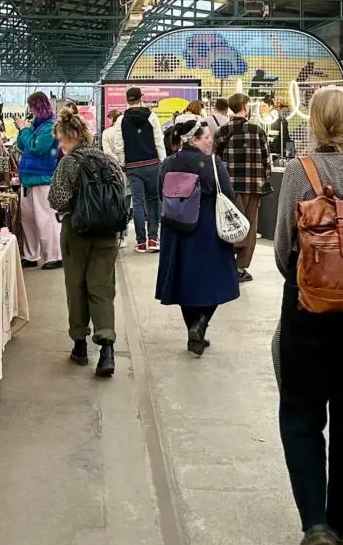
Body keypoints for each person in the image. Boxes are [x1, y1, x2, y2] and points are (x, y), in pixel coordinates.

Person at [272, 87, 343, 545]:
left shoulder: (300, 171)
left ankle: (313, 520)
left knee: (301, 412)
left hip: (307, 307)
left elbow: (283, 245)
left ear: (313, 122)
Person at [48, 106, 125, 378]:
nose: (60, 145)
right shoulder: (107, 160)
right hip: (107, 234)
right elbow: (122, 193)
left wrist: (75, 205)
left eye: (61, 140)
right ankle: (107, 350)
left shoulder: (69, 163)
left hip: (77, 232)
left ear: (71, 137)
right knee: (102, 288)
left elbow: (56, 199)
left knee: (77, 286)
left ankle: (80, 346)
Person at [155, 114, 240, 355]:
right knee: (217, 279)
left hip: (175, 230)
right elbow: (228, 194)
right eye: (207, 137)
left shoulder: (168, 163)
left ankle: (193, 331)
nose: (210, 140)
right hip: (206, 230)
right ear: (194, 139)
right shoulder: (212, 164)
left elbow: (161, 194)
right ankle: (200, 323)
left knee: (182, 282)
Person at [214, 92, 271, 284]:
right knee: (250, 226)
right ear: (245, 108)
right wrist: (264, 179)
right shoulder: (257, 130)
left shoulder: (222, 131)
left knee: (230, 225)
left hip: (229, 187)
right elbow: (266, 160)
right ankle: (240, 268)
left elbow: (216, 160)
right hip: (253, 186)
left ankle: (226, 263)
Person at [15, 92, 62, 270]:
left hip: (43, 178)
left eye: (32, 107)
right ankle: (31, 255)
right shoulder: (36, 126)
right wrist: (23, 131)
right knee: (28, 220)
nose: (30, 111)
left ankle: (54, 256)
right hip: (28, 178)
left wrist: (24, 130)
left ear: (38, 106)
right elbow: (22, 146)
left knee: (46, 219)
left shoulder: (50, 126)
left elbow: (37, 147)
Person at [118, 88, 166, 254]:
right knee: (153, 200)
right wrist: (162, 161)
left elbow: (119, 145)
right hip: (152, 163)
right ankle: (153, 238)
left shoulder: (121, 120)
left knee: (137, 202)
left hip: (133, 166)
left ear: (127, 100)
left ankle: (141, 242)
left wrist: (123, 163)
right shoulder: (152, 116)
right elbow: (158, 141)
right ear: (141, 98)